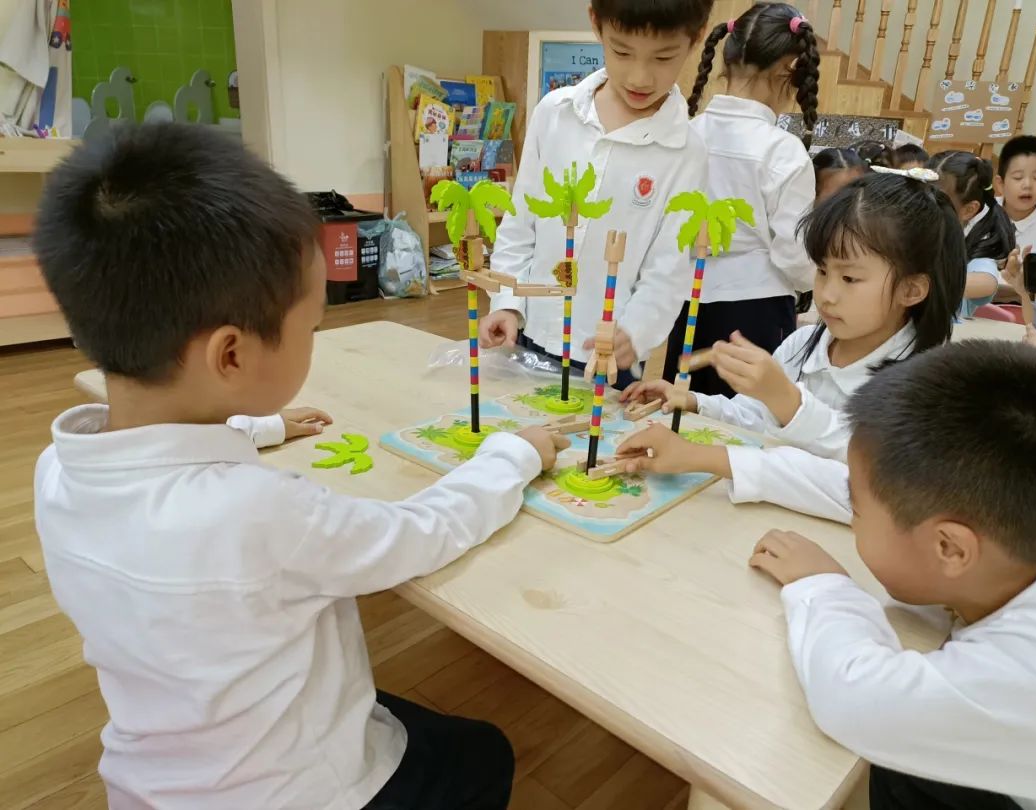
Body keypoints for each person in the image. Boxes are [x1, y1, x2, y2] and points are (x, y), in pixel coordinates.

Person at [31, 123, 567, 810]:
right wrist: (513, 454)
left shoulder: (58, 471)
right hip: (306, 792)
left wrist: (260, 426)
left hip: (152, 785)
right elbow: (418, 534)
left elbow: (166, 450)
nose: (315, 339)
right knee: (484, 751)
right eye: (311, 327)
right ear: (231, 356)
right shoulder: (256, 512)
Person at [749, 340, 1036, 810]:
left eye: (857, 513)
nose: (853, 517)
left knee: (895, 771)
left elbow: (852, 699)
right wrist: (723, 461)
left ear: (951, 549)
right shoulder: (1032, 515)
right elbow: (879, 492)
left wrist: (823, 586)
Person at [618, 171, 966, 523]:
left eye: (850, 278)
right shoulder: (803, 344)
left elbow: (865, 485)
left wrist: (713, 452)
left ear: (911, 290)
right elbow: (758, 419)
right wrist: (696, 402)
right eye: (822, 271)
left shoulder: (927, 389)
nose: (827, 294)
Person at [479, 0, 712, 389]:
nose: (640, 77)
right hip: (528, 332)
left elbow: (669, 267)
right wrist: (507, 303)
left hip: (609, 356)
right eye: (622, 51)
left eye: (663, 57)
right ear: (595, 23)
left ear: (697, 37)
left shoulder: (687, 152)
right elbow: (521, 224)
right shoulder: (555, 113)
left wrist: (637, 330)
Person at [661, 1, 820, 397]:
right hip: (755, 310)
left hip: (684, 300)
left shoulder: (686, 133)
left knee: (680, 408)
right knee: (746, 417)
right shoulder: (782, 150)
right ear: (789, 69)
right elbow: (795, 255)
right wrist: (811, 281)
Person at [930, 150, 1017, 317]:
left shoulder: (973, 255)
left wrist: (917, 282)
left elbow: (987, 283)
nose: (925, 205)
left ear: (969, 210)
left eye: (938, 201)